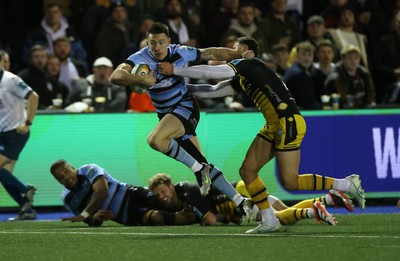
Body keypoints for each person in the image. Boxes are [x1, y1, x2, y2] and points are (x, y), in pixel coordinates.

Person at [157, 36, 366, 234]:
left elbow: (217, 73)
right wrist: (180, 88)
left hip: (287, 121)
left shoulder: (251, 64)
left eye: (235, 49)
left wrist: (175, 70)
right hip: (275, 124)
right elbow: (213, 90)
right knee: (247, 171)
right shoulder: (245, 75)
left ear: (247, 52)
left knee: (290, 182)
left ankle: (347, 184)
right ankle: (269, 220)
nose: (231, 53)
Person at [109, 22, 253, 217]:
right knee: (203, 164)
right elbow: (115, 76)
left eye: (161, 42)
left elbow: (210, 53)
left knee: (155, 140)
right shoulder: (139, 58)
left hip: (185, 107)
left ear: (169, 41)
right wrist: (141, 80)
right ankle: (240, 201)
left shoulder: (181, 52)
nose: (157, 47)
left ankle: (197, 169)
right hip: (168, 117)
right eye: (153, 43)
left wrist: (238, 54)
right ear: (147, 42)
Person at [149, 173, 354, 226]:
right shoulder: (184, 193)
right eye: (158, 195)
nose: (162, 196)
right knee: (283, 209)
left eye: (162, 191)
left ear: (170, 185)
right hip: (241, 188)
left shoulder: (187, 190)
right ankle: (328, 199)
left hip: (239, 198)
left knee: (278, 218)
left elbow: (210, 220)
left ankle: (313, 211)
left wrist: (223, 216)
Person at [50, 159, 196, 226]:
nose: (66, 177)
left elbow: (102, 192)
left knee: (168, 201)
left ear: (72, 167)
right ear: (58, 181)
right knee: (157, 218)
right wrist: (96, 217)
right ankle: (199, 217)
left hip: (132, 194)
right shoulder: (67, 198)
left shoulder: (89, 169)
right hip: (125, 216)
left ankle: (207, 205)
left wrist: (85, 214)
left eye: (66, 171)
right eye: (60, 177)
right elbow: (90, 221)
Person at [0, 51, 39, 220]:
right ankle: (27, 209)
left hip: (16, 133)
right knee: (4, 176)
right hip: (3, 134)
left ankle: (25, 189)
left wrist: (28, 123)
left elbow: (33, 96)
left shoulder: (11, 80)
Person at [18, 45, 69, 110]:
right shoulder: (23, 77)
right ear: (30, 59)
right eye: (36, 57)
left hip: (48, 115)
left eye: (43, 56)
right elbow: (24, 98)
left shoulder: (49, 78)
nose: (40, 60)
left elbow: (62, 91)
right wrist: (44, 108)